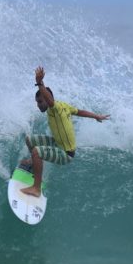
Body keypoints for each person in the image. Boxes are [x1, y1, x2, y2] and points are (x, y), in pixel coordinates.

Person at [20, 66, 110, 197]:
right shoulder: (63, 105)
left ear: (47, 99)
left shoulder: (55, 108)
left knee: (36, 152)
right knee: (30, 140)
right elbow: (79, 111)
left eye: (40, 101)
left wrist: (40, 83)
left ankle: (36, 188)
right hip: (58, 143)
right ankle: (32, 162)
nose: (38, 105)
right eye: (37, 102)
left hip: (66, 153)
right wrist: (96, 116)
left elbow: (50, 101)